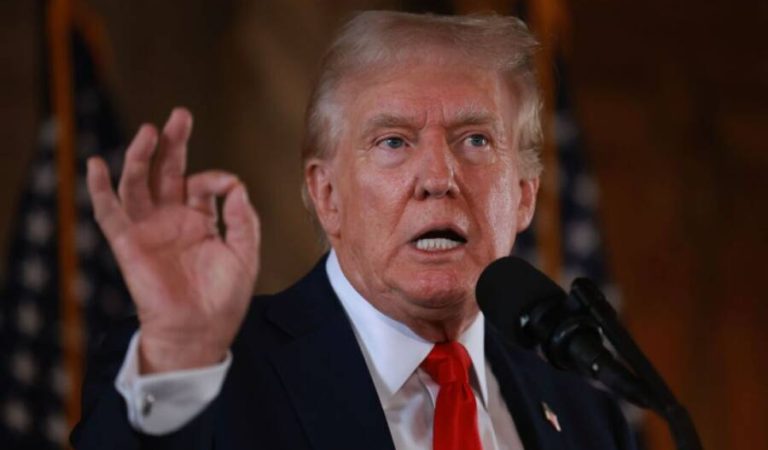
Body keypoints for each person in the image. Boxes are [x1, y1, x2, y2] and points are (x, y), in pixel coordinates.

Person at [72, 11, 636, 450]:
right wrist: (177, 360)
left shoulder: (586, 415)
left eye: (476, 141)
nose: (439, 178)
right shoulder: (206, 376)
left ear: (523, 195)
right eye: (393, 141)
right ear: (326, 195)